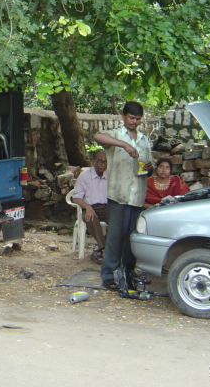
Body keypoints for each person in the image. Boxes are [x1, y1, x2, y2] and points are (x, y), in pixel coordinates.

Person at [93, 101, 152, 290]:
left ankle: (127, 272)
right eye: (131, 118)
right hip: (118, 195)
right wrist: (124, 145)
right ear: (123, 117)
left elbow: (147, 165)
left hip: (137, 195)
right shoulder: (116, 135)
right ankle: (109, 275)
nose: (134, 122)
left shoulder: (143, 140)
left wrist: (150, 168)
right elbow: (97, 136)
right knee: (115, 237)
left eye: (137, 119)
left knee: (131, 239)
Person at [71, 149, 109, 264]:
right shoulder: (84, 176)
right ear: (93, 162)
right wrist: (88, 207)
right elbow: (76, 197)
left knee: (119, 220)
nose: (103, 164)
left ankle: (101, 250)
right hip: (89, 207)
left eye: (105, 161)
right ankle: (104, 249)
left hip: (107, 208)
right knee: (91, 217)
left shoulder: (110, 175)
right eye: (99, 161)